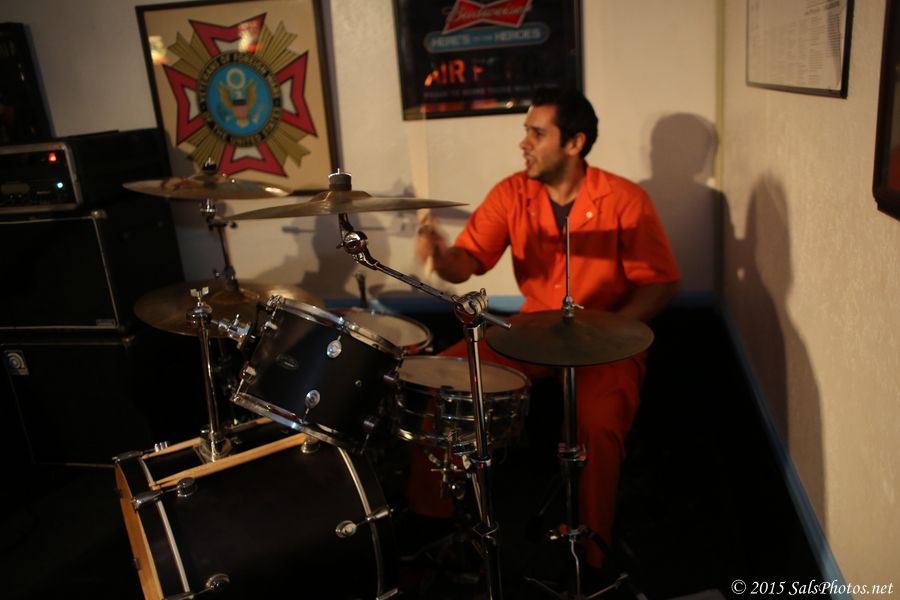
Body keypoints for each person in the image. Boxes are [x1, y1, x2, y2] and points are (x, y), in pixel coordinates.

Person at [410, 87, 681, 570]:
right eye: (526, 132)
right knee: (442, 380)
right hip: (531, 331)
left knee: (596, 427)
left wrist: (614, 331)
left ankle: (589, 555)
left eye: (537, 133)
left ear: (574, 143)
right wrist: (442, 255)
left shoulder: (626, 199)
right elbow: (466, 262)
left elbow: (661, 283)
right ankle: (428, 524)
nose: (524, 143)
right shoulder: (511, 193)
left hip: (607, 343)